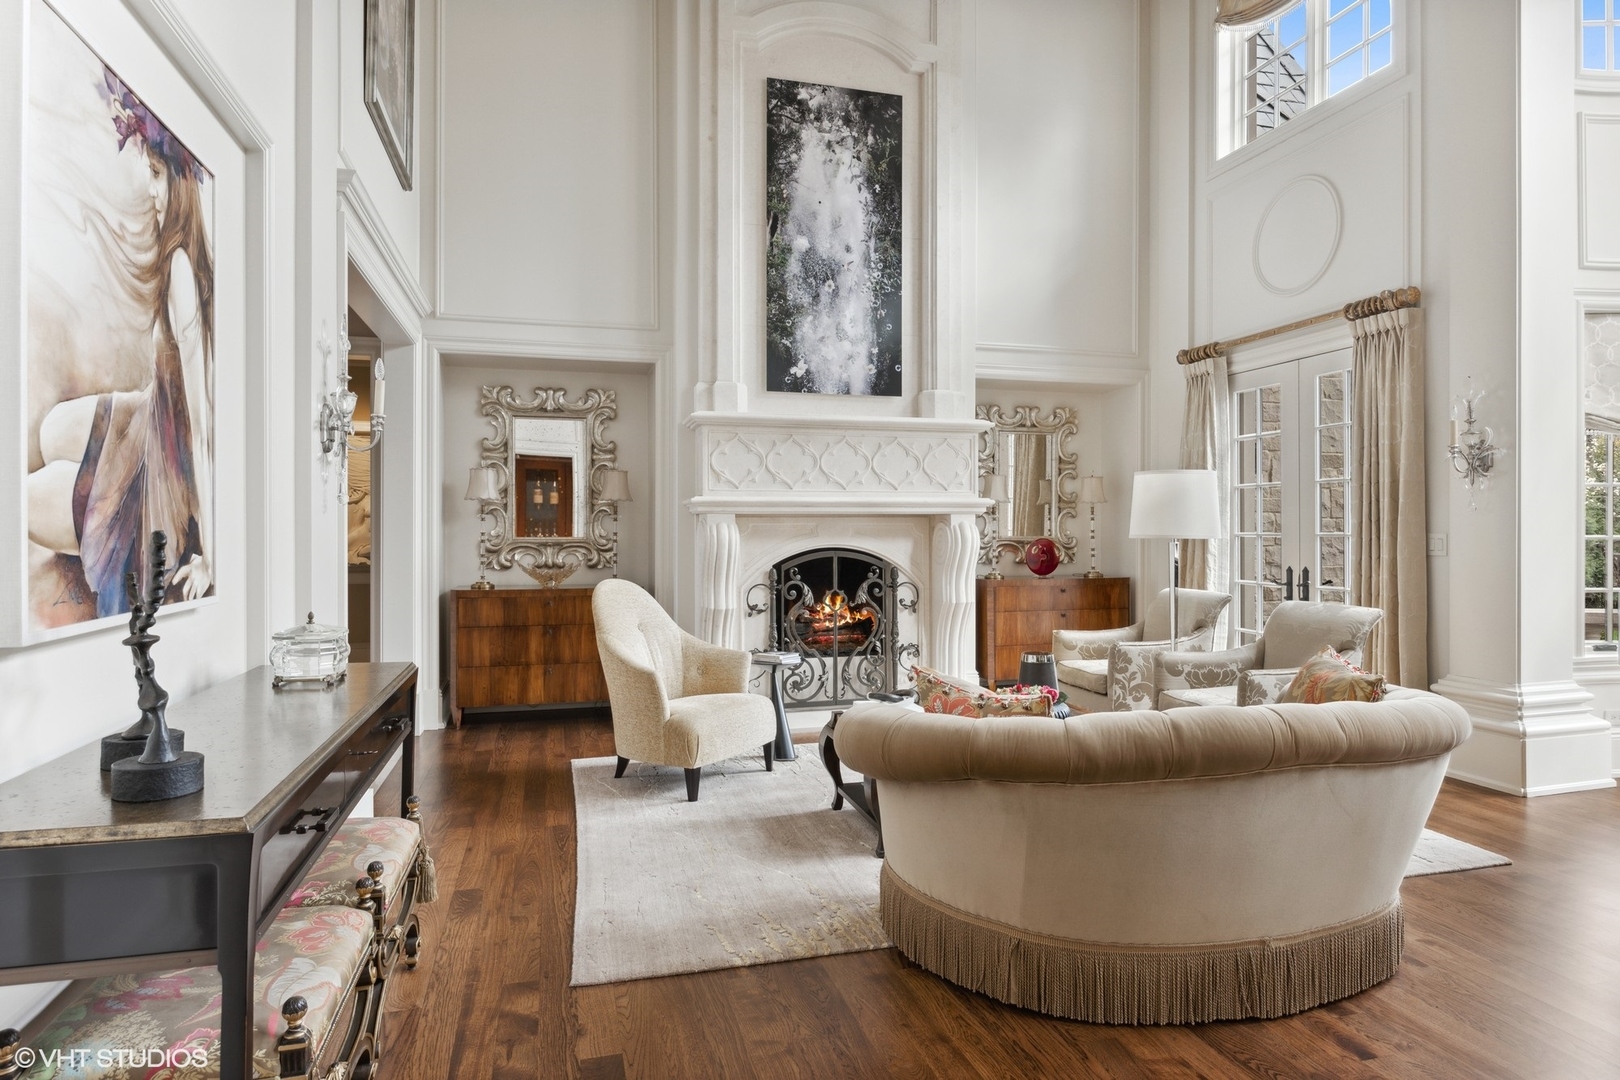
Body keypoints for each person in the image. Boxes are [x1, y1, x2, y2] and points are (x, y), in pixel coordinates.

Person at [26, 69, 213, 617]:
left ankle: (92, 503)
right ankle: (88, 483)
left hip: (164, 458)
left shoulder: (181, 266)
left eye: (157, 174)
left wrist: (212, 556)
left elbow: (202, 425)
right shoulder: (179, 260)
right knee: (50, 430)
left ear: (180, 182)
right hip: (151, 416)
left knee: (33, 494)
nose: (151, 191)